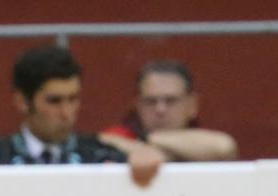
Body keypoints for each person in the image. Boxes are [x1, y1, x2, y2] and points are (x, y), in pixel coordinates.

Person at [0, 44, 164, 187]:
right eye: (54, 101)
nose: (67, 113)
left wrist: (144, 158)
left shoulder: (102, 155)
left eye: (73, 99)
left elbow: (149, 163)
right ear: (23, 102)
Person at [98, 60, 238, 161]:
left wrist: (146, 140)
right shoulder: (120, 135)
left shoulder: (200, 138)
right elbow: (102, 142)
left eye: (171, 101)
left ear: (192, 105)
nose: (160, 109)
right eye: (150, 101)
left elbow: (224, 148)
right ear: (138, 105)